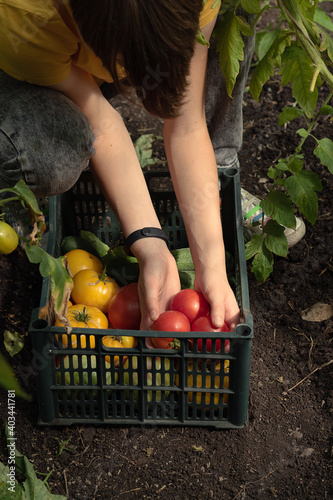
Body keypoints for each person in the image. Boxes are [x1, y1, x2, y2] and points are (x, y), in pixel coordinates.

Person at [0, 1, 303, 331]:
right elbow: (101, 121)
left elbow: (187, 124)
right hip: (20, 55)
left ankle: (218, 178)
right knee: (55, 155)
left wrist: (209, 264)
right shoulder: (25, 17)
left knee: (237, 12)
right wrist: (149, 244)